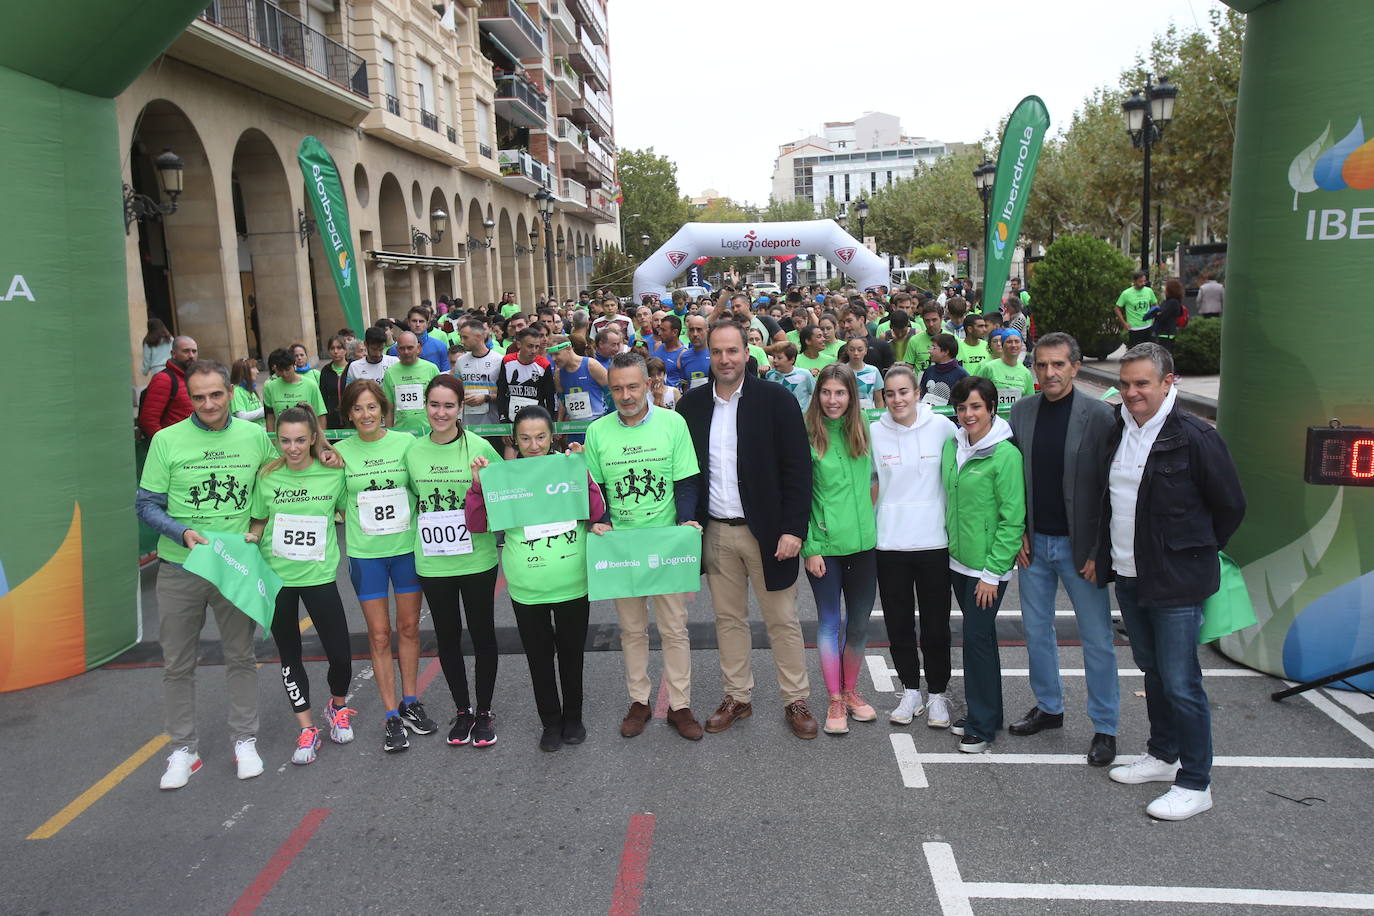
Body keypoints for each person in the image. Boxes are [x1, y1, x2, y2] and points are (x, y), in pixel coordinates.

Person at [1097, 343, 1245, 820]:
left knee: (1182, 681)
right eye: (1125, 384)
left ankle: (1196, 781)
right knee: (1154, 671)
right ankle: (1163, 755)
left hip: (1176, 580)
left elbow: (1230, 507)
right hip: (1129, 574)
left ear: (1168, 383)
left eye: (1143, 383)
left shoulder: (1195, 437)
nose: (1132, 392)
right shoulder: (1118, 429)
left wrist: (1191, 551)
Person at [136, 359, 275, 788]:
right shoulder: (166, 439)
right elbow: (146, 504)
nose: (209, 403)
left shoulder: (255, 436)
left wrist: (325, 453)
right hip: (182, 565)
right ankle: (183, 749)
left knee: (240, 656)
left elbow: (279, 483)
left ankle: (244, 740)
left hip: (234, 564)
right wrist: (182, 532)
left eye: (216, 394)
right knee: (177, 663)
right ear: (190, 398)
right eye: (199, 397)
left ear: (230, 393)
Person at [677, 321, 819, 741]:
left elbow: (798, 470)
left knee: (782, 620)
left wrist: (794, 529)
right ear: (709, 355)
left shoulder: (776, 400)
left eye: (732, 351)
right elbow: (683, 474)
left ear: (746, 353)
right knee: (728, 620)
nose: (724, 359)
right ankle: (737, 696)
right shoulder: (691, 406)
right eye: (718, 352)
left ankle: (795, 698)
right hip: (717, 532)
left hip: (770, 534)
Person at [1008, 332, 1120, 767]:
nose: (1049, 373)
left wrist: (1097, 549)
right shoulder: (1022, 411)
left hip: (1082, 548)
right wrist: (1019, 531)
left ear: (1075, 366)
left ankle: (1105, 727)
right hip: (1035, 544)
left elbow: (1110, 490)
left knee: (1097, 640)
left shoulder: (1099, 416)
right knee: (1037, 633)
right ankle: (1049, 707)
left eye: (1057, 365)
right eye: (1041, 365)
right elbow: (1014, 478)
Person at [466, 406, 605, 751]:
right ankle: (550, 721)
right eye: (525, 438)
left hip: (573, 581)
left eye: (541, 436)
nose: (534, 444)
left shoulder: (570, 467)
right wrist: (477, 486)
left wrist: (582, 473)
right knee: (539, 658)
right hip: (527, 588)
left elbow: (597, 511)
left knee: (572, 655)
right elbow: (478, 524)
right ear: (515, 439)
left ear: (553, 435)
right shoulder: (503, 475)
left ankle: (574, 717)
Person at [585, 352, 704, 741]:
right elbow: (596, 489)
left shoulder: (673, 424)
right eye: (617, 388)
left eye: (633, 386)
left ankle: (680, 706)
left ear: (648, 385)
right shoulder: (597, 432)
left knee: (674, 629)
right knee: (632, 630)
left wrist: (686, 520)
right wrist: (598, 521)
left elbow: (686, 481)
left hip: (666, 543)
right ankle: (639, 701)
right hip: (622, 547)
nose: (626, 395)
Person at [247, 403, 355, 765]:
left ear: (313, 440)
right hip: (277, 577)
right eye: (284, 441)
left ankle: (337, 706)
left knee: (340, 653)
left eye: (299, 441)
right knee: (289, 654)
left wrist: (337, 460)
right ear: (276, 440)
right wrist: (247, 541)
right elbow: (259, 522)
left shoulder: (332, 474)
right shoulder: (266, 476)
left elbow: (348, 509)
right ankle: (306, 728)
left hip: (319, 576)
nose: (292, 448)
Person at [404, 375, 505, 747]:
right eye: (434, 404)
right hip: (433, 562)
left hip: (476, 558)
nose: (441, 412)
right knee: (447, 638)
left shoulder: (480, 447)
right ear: (424, 406)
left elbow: (503, 499)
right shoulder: (412, 451)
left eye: (449, 405)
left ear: (461, 408)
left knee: (483, 637)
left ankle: (485, 711)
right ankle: (462, 710)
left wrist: (480, 484)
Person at [332, 380, 431, 753]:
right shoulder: (339, 453)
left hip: (406, 549)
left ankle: (410, 702)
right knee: (378, 635)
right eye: (358, 409)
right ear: (348, 414)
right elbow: (334, 500)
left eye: (372, 407)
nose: (366, 415)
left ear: (383, 409)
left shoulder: (405, 444)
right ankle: (390, 714)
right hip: (366, 553)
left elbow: (427, 481)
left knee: (407, 627)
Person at [942, 375, 1025, 753]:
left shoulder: (1005, 455)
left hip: (986, 571)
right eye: (961, 407)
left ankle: (983, 725)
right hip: (958, 562)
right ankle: (985, 712)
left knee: (976, 641)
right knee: (981, 640)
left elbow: (1012, 520)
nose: (968, 414)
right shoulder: (954, 446)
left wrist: (993, 573)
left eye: (976, 406)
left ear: (992, 408)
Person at [871, 365, 957, 729]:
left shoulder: (943, 428)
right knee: (899, 623)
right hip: (890, 544)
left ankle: (937, 693)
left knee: (936, 626)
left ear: (918, 393)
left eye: (903, 392)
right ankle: (910, 690)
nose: (897, 400)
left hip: (934, 542)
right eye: (890, 394)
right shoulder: (874, 432)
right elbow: (870, 483)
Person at [800, 364, 878, 735]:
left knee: (859, 626)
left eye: (841, 393)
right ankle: (834, 699)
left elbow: (875, 483)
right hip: (825, 548)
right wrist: (810, 547)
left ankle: (850, 691)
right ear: (818, 396)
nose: (833, 400)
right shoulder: (808, 435)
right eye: (827, 393)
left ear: (852, 397)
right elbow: (800, 498)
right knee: (830, 623)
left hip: (864, 547)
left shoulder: (862, 432)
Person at [138, 335, 197, 438]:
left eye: (194, 351)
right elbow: (148, 420)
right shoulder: (163, 379)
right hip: (176, 447)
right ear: (173, 354)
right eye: (186, 351)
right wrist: (167, 446)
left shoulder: (194, 377)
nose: (191, 355)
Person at [497, 327, 557, 427]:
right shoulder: (507, 361)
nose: (533, 351)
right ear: (519, 344)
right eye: (530, 346)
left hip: (537, 420)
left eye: (537, 347)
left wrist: (549, 422)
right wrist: (503, 420)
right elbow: (501, 393)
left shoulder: (544, 365)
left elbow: (549, 398)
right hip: (511, 420)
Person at [382, 331, 440, 433]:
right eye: (402, 348)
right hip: (401, 432)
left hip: (428, 431)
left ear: (418, 348)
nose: (406, 352)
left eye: (410, 348)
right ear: (397, 350)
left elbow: (440, 404)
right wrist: (390, 433)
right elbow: (389, 409)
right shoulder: (390, 373)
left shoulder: (432, 369)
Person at [262, 348, 328, 434]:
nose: (285, 374)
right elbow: (270, 418)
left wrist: (321, 441)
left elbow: (320, 415)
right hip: (282, 439)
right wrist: (272, 442)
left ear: (294, 365)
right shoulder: (270, 387)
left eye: (287, 369)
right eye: (281, 370)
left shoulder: (310, 385)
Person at [454, 318, 502, 427]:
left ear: (479, 337)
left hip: (493, 425)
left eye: (465, 337)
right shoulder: (461, 361)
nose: (461, 341)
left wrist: (486, 397)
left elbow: (506, 394)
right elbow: (456, 389)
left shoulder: (499, 360)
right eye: (460, 337)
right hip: (468, 425)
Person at [552, 336, 608, 425]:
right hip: (574, 427)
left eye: (556, 354)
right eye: (551, 355)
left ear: (568, 348)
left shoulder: (591, 365)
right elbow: (563, 401)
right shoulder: (558, 374)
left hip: (597, 423)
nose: (553, 359)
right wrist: (560, 422)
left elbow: (611, 392)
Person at [974, 329, 1035, 408]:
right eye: (1009, 342)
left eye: (1017, 341)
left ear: (1021, 345)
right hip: (993, 418)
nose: (1013, 345)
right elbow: (975, 392)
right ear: (1002, 345)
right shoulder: (989, 368)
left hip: (1015, 418)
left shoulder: (1025, 373)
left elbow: (1030, 402)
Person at [388, 306, 450, 371]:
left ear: (428, 324)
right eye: (414, 321)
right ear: (408, 323)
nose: (417, 324)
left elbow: (445, 373)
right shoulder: (394, 350)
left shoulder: (440, 346)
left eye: (421, 321)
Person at [920, 333, 969, 406]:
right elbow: (922, 394)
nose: (929, 351)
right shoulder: (928, 371)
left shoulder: (962, 375)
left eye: (933, 348)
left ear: (945, 352)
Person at [1115, 271, 1159, 347]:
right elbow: (1117, 308)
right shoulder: (1126, 293)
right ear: (1134, 281)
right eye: (1140, 281)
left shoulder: (1149, 291)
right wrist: (1124, 323)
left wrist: (1153, 318)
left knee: (1150, 352)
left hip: (1148, 327)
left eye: (1144, 281)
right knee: (1137, 354)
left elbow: (1155, 305)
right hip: (1135, 329)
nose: (1143, 283)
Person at [765, 342, 814, 411]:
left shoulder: (805, 374)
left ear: (792, 360)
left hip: (801, 417)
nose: (775, 361)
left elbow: (815, 393)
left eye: (779, 358)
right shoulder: (769, 375)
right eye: (774, 357)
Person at [842, 336, 883, 409]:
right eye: (852, 350)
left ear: (865, 351)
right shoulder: (841, 371)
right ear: (847, 351)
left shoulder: (873, 371)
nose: (856, 353)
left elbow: (879, 399)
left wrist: (880, 417)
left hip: (869, 416)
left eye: (860, 350)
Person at [318, 335, 350, 428]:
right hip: (332, 421)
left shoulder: (353, 367)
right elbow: (323, 397)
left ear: (345, 350)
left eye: (339, 348)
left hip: (352, 419)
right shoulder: (325, 370)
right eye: (332, 348)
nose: (336, 351)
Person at [674, 314, 712, 390]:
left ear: (707, 331)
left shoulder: (716, 354)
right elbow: (685, 386)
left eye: (699, 329)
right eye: (691, 330)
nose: (695, 334)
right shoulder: (684, 357)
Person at [1149, 278, 1185, 353]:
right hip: (1164, 333)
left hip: (1166, 334)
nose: (1165, 290)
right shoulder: (1170, 301)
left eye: (1166, 288)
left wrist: (1155, 314)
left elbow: (1162, 317)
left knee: (1164, 357)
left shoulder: (1172, 302)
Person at [229, 358, 265, 428]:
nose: (257, 372)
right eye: (253, 368)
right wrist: (265, 410)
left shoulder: (250, 390)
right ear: (244, 372)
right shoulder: (236, 391)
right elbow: (242, 417)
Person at [141, 318, 174, 384]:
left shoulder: (148, 341)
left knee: (160, 389)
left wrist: (145, 371)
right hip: (170, 367)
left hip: (156, 370)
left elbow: (147, 358)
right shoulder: (170, 339)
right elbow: (174, 353)